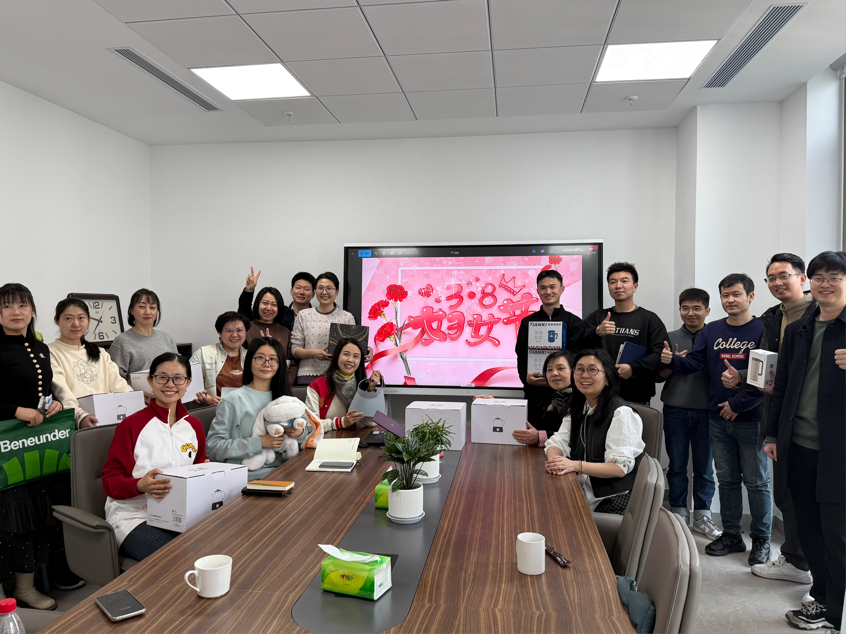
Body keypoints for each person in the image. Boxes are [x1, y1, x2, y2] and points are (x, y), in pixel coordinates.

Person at [661, 273, 772, 566]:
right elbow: (696, 362)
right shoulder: (712, 330)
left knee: (757, 482)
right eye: (725, 295)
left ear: (750, 296)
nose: (730, 300)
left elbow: (768, 376)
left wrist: (738, 403)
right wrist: (672, 360)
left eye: (736, 294)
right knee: (727, 480)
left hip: (751, 418)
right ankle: (732, 535)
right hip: (717, 417)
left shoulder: (764, 329)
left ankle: (761, 539)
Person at [764, 251, 846, 633]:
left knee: (836, 533)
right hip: (797, 445)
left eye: (834, 277)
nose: (825, 284)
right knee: (808, 529)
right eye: (819, 277)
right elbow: (781, 386)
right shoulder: (800, 327)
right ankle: (824, 598)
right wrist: (771, 433)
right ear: (809, 281)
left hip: (838, 452)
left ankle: (836, 612)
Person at [723, 254, 815, 588]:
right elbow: (769, 368)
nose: (777, 283)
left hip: (813, 417)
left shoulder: (820, 313)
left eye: (784, 276)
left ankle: (815, 573)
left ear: (802, 279)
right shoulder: (773, 318)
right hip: (779, 415)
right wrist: (742, 376)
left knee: (813, 499)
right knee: (787, 494)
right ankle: (796, 560)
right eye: (771, 278)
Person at [0, 283, 76, 610]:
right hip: (5, 446)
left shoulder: (40, 347)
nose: (16, 312)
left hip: (33, 444)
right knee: (9, 518)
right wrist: (16, 410)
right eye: (7, 306)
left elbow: (43, 391)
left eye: (23, 305)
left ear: (32, 310)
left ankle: (25, 587)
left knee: (34, 514)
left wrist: (53, 403)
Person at [101, 353, 206, 562]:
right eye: (162, 377)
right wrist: (139, 485)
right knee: (178, 558)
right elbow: (109, 482)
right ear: (150, 381)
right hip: (134, 516)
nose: (170, 384)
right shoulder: (131, 426)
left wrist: (205, 473)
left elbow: (198, 469)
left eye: (178, 378)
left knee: (217, 543)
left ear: (188, 383)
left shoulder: (194, 426)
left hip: (178, 514)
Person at [544, 349, 645, 514]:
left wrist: (576, 465)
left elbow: (619, 468)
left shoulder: (621, 413)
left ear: (608, 377)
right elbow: (558, 442)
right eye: (579, 369)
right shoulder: (578, 408)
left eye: (592, 370)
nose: (585, 375)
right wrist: (555, 462)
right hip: (583, 489)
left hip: (612, 498)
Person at [657, 288, 720, 539]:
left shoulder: (716, 337)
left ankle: (703, 516)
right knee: (677, 465)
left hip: (707, 411)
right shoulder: (669, 337)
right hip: (675, 409)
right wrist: (672, 362)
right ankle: (679, 513)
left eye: (696, 308)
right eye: (685, 308)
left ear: (707, 311)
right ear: (680, 310)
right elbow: (659, 377)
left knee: (705, 467)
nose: (690, 313)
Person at [207, 337, 308, 481]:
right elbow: (213, 448)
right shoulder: (233, 400)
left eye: (273, 359)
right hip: (250, 478)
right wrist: (259, 443)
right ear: (249, 361)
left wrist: (299, 433)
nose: (266, 364)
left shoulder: (285, 398)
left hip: (287, 472)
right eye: (260, 357)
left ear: (280, 364)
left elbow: (303, 440)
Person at [582, 262, 669, 405]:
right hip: (600, 394)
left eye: (624, 281)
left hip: (636, 396)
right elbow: (579, 344)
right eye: (613, 282)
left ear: (635, 286)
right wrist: (598, 332)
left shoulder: (649, 319)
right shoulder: (598, 317)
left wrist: (634, 368)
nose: (618, 286)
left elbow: (661, 353)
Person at [48, 298, 134, 429]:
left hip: (112, 419)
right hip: (78, 424)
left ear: (88, 319)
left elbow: (119, 385)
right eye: (68, 318)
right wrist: (80, 416)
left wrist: (136, 403)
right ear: (57, 321)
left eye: (81, 318)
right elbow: (62, 393)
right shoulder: (50, 352)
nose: (76, 324)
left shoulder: (100, 353)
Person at [515, 270, 583, 423]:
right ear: (537, 290)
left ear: (562, 289)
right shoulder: (527, 322)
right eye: (543, 288)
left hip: (566, 395)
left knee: (563, 433)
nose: (548, 292)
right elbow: (521, 354)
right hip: (535, 392)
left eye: (552, 287)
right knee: (533, 433)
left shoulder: (575, 322)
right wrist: (525, 377)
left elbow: (576, 355)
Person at [477, 350, 574, 447]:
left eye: (560, 368)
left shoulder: (579, 400)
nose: (554, 373)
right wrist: (495, 403)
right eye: (549, 370)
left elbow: (574, 436)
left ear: (574, 371)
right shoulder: (554, 395)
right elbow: (526, 416)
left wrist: (540, 437)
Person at [290, 272, 357, 386]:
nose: (324, 292)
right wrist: (313, 353)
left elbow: (353, 349)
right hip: (307, 377)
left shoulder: (347, 317)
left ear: (337, 292)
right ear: (315, 292)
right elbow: (295, 350)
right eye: (320, 288)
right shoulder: (303, 315)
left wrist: (366, 350)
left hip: (338, 376)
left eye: (329, 288)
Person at [304, 338, 382, 432]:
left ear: (360, 361)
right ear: (337, 356)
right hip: (325, 439)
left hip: (353, 438)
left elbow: (372, 422)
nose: (350, 360)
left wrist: (371, 389)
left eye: (356, 356)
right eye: (346, 354)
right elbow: (309, 424)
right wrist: (341, 422)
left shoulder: (361, 386)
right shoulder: (317, 385)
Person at [109, 289, 177, 380]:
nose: (148, 312)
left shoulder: (166, 338)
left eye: (152, 307)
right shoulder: (121, 341)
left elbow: (179, 368)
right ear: (131, 310)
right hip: (137, 389)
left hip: (169, 388)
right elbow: (115, 378)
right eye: (142, 307)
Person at [189, 311, 250, 407]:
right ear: (220, 333)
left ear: (245, 332)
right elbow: (189, 384)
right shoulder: (203, 353)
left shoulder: (251, 357)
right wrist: (208, 399)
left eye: (239, 330)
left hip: (244, 409)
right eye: (229, 330)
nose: (235, 335)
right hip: (212, 410)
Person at [238, 268, 315, 332]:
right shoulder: (279, 311)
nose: (301, 292)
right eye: (298, 288)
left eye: (306, 289)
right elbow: (245, 317)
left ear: (313, 294)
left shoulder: (316, 316)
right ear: (291, 291)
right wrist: (249, 291)